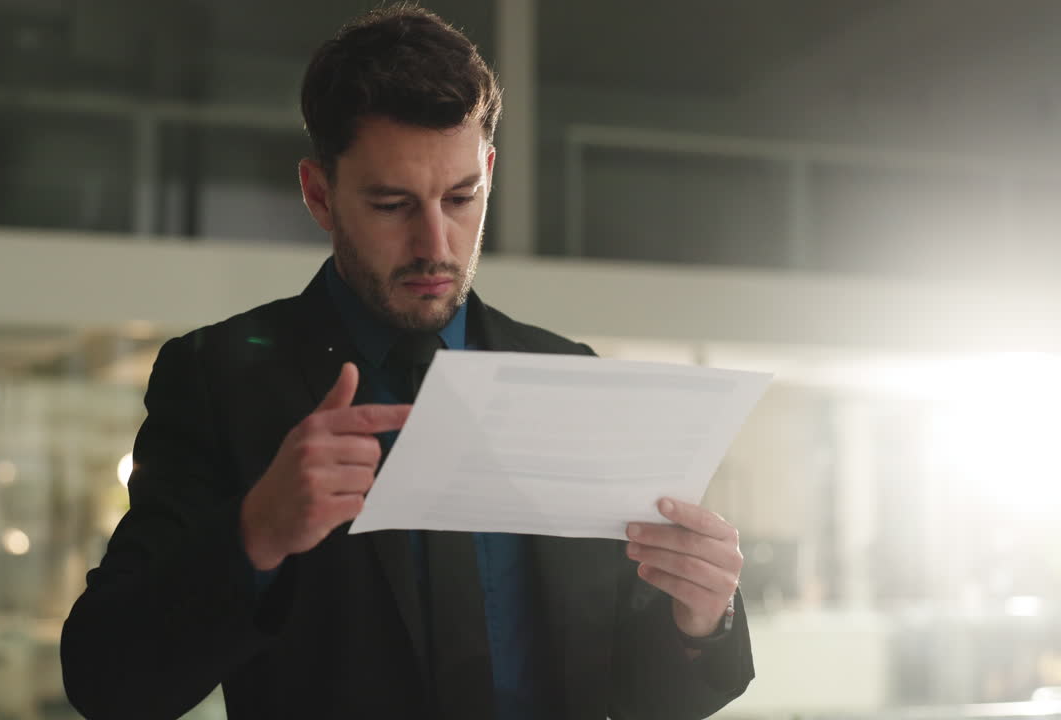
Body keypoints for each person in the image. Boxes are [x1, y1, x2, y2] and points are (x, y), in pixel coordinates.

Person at [61, 6, 753, 719]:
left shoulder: (567, 375)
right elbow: (107, 683)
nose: (435, 245)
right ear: (319, 195)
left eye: (461, 199)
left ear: (488, 170)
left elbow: (644, 693)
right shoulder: (220, 382)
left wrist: (698, 619)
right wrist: (253, 534)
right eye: (392, 204)